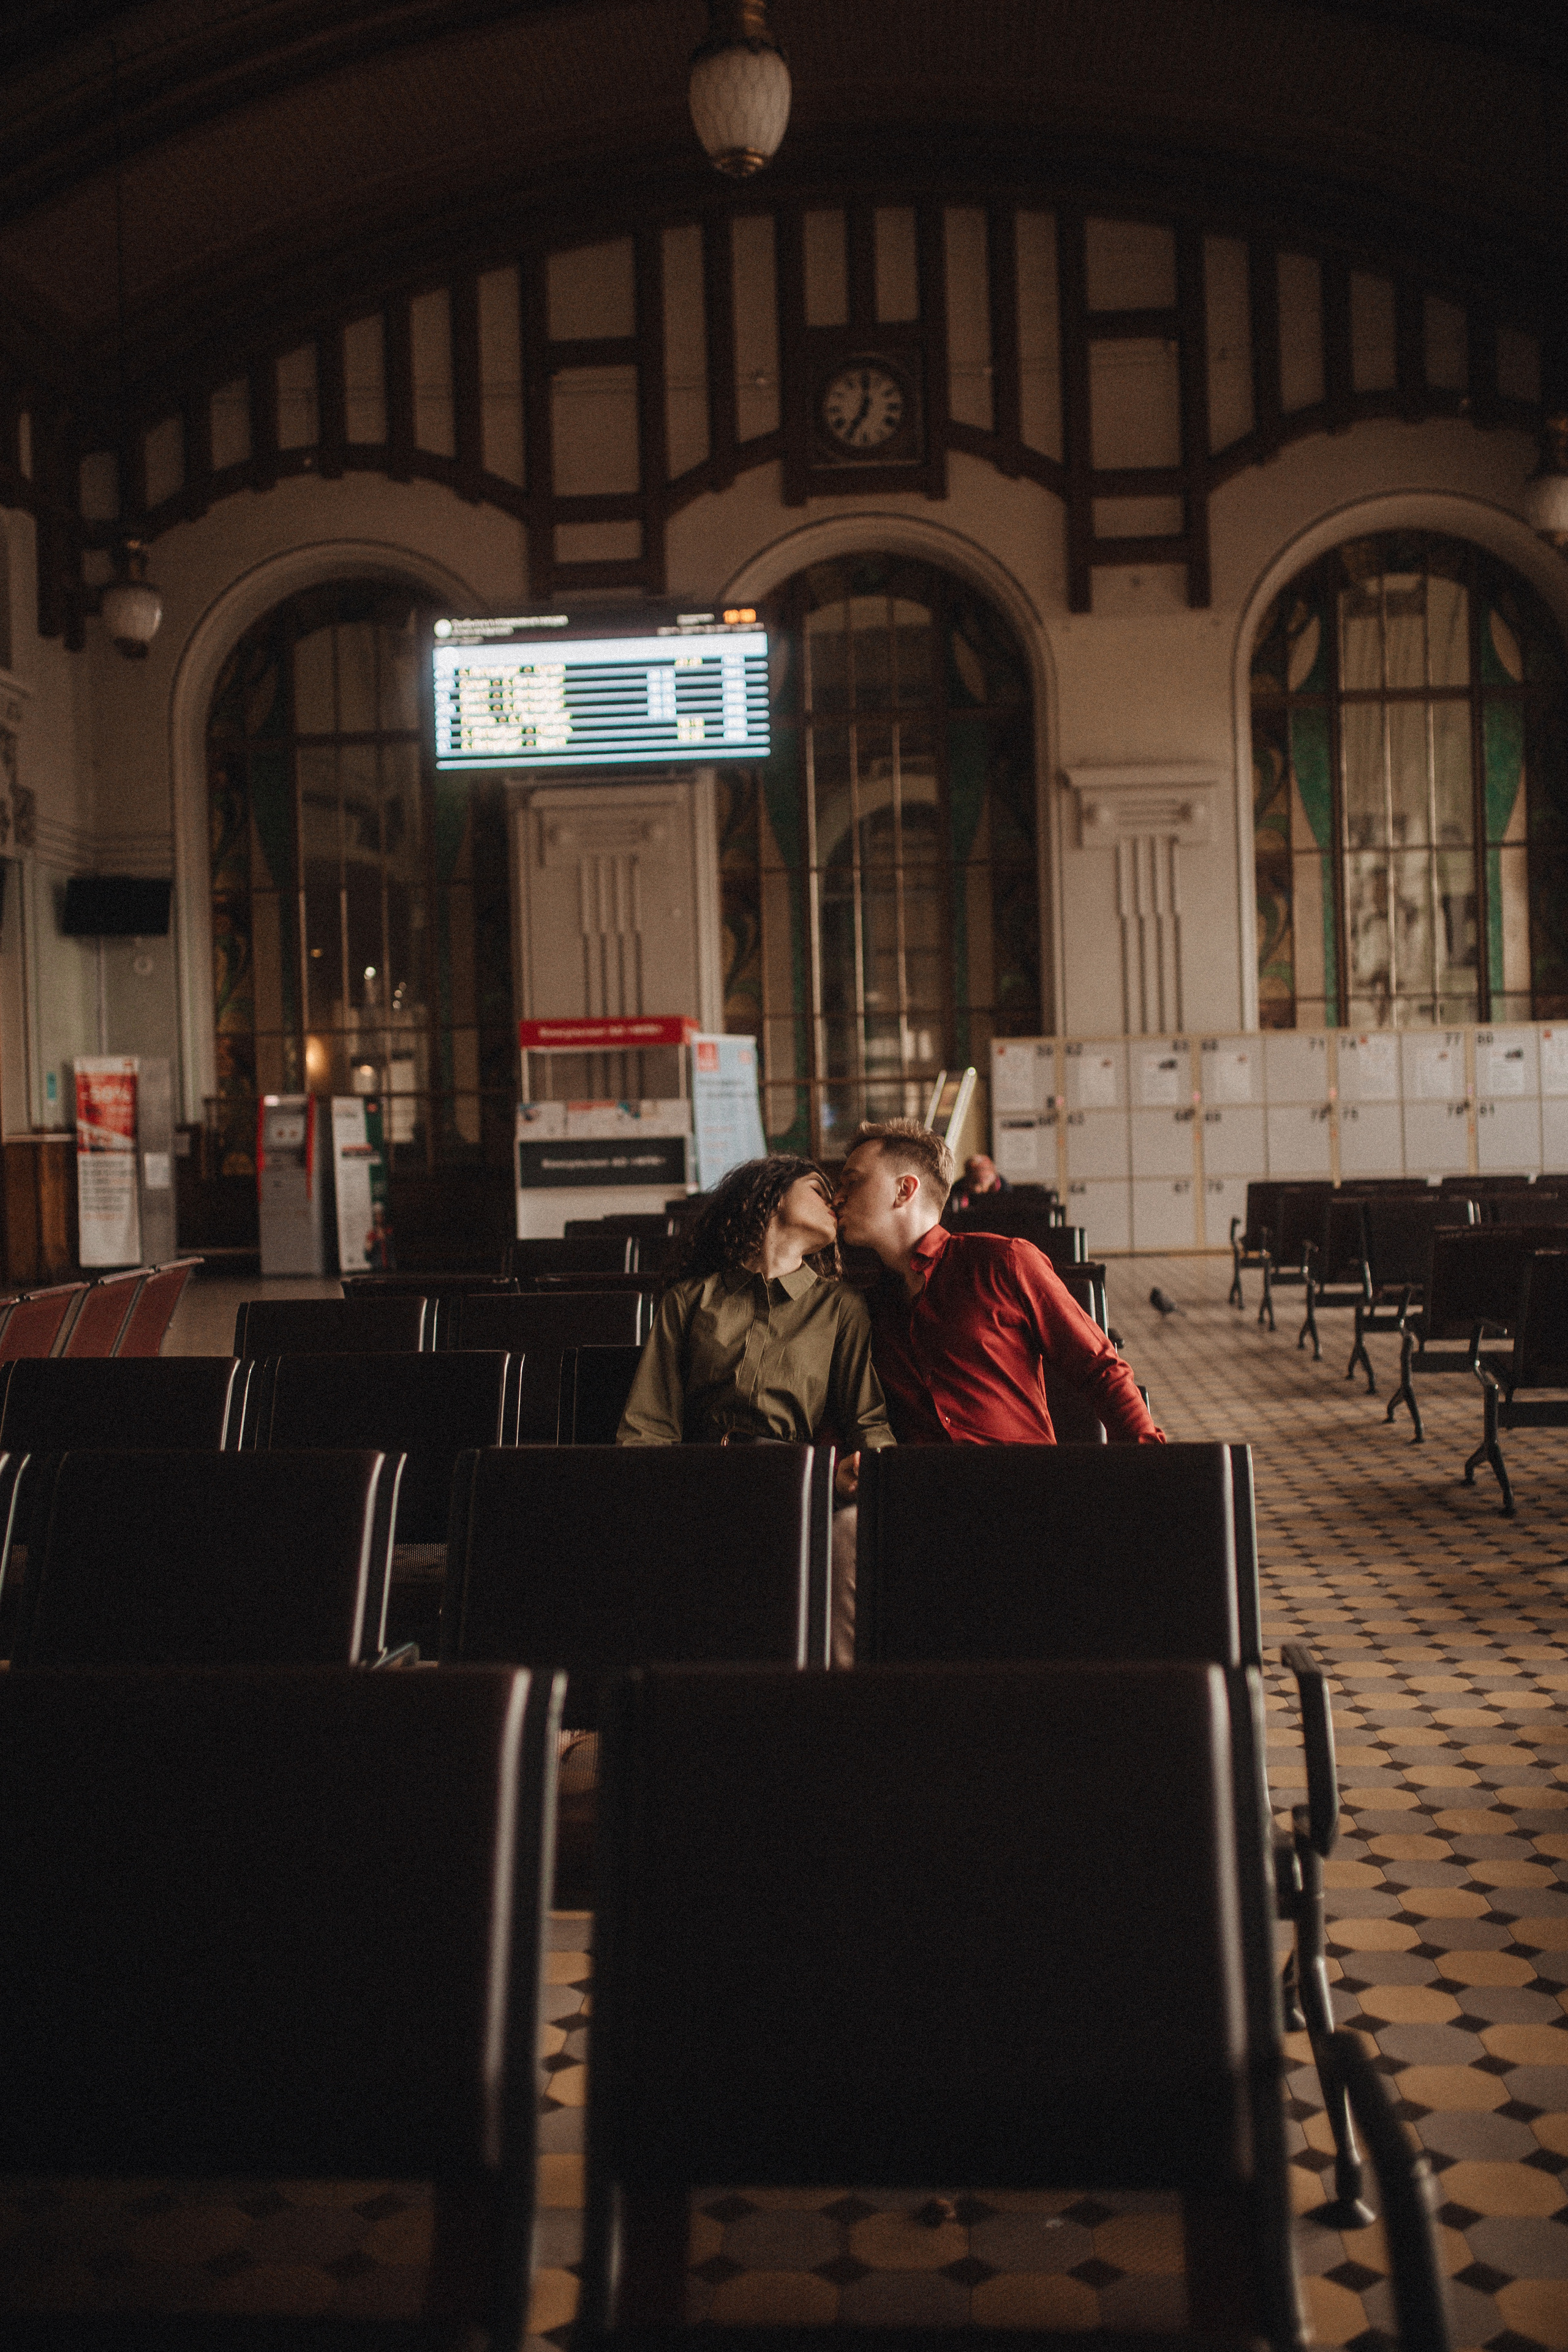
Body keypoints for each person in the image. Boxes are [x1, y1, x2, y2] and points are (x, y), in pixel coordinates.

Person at [617, 1154, 894, 1664]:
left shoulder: (840, 1309)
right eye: (818, 1188)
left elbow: (868, 1419)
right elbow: (648, 1426)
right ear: (768, 1198)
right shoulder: (690, 1300)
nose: (834, 1200)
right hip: (701, 1479)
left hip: (794, 1486)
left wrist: (876, 1471)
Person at [834, 1117, 1164, 1446]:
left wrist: (1149, 1469)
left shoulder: (1002, 1262)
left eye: (853, 1182)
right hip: (925, 1491)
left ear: (904, 1190)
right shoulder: (864, 1305)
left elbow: (1099, 1368)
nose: (838, 1198)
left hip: (1023, 1483)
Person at [944, 1150, 1009, 1221]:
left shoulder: (1005, 1189)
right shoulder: (957, 1189)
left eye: (983, 1169)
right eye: (974, 1180)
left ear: (992, 1170)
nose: (979, 1189)